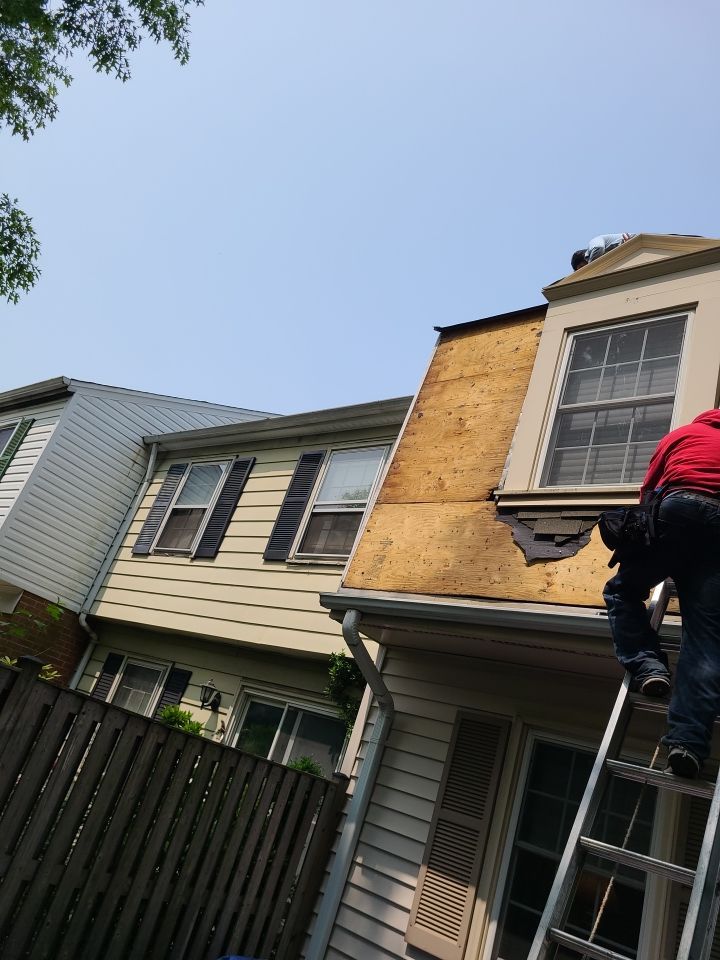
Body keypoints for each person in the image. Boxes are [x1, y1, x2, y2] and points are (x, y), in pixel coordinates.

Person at [603, 409, 720, 779]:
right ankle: (687, 743)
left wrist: (648, 545)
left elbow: (649, 491)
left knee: (623, 590)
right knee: (705, 639)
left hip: (677, 512)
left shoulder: (682, 435)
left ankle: (649, 667)